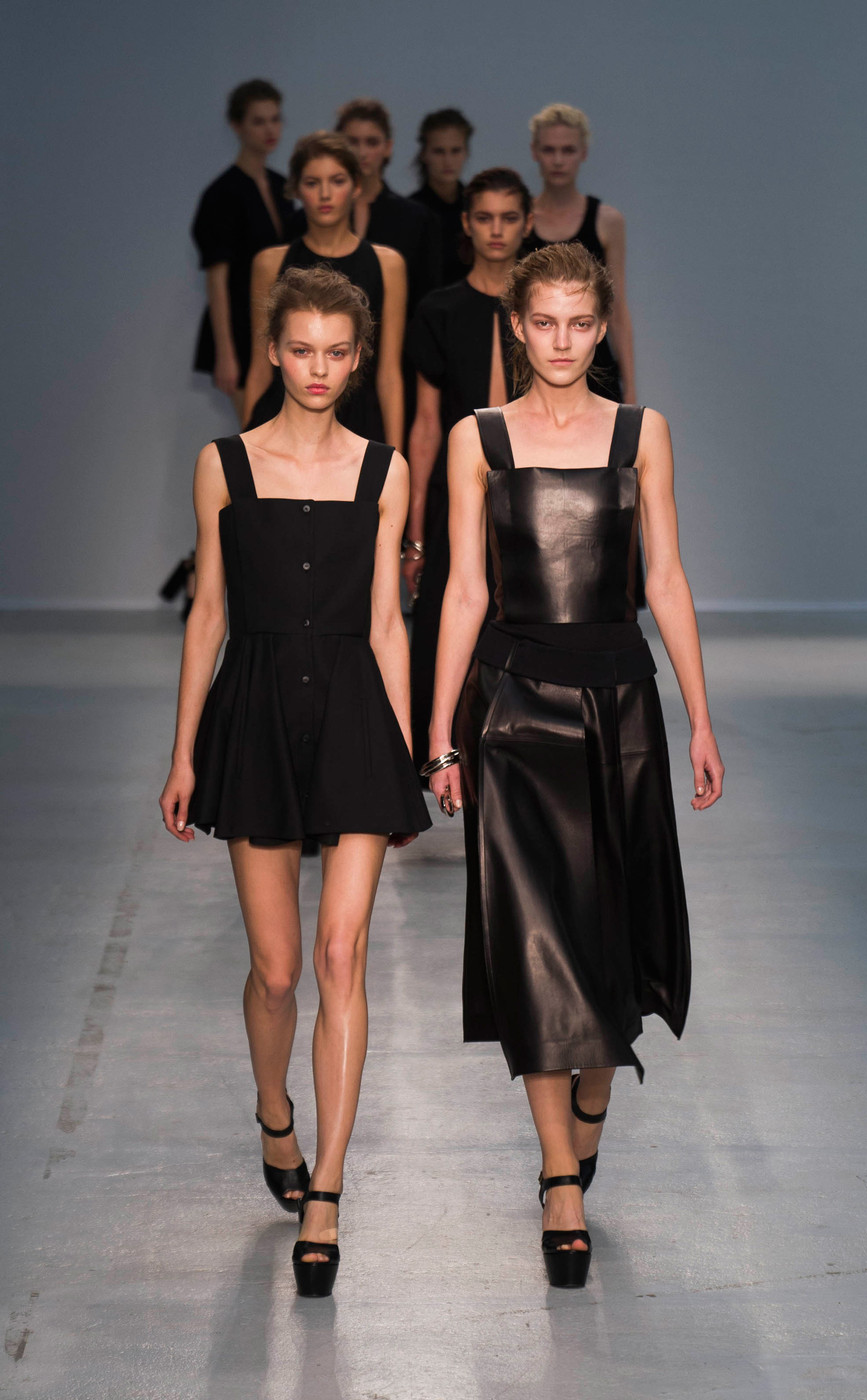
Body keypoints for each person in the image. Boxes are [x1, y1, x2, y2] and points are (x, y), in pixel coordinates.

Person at [425, 242, 723, 1289]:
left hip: (621, 709)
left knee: (616, 936)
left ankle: (592, 1100)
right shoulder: (477, 437)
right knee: (535, 941)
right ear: (516, 324)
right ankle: (560, 1174)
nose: (560, 341)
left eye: (579, 323)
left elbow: (666, 577)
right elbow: (465, 588)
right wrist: (440, 732)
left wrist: (700, 717)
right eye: (542, 322)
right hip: (513, 711)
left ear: (601, 328)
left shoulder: (643, 433)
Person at [159, 265, 430, 1299]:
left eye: (337, 352)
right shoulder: (224, 463)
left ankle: (326, 1188)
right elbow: (208, 612)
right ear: (274, 352)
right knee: (276, 971)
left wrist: (407, 751)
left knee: (339, 953)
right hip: (258, 714)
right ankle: (274, 1112)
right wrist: (184, 751)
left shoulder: (384, 470)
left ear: (358, 362)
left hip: (355, 713)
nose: (318, 368)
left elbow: (386, 621)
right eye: (302, 349)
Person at [404, 167, 532, 770]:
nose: (496, 230)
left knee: (527, 619)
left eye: (509, 217)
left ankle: (518, 753)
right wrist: (415, 535)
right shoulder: (439, 309)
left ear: (528, 222)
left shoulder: (547, 311)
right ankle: (440, 754)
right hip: (455, 490)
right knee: (441, 621)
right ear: (465, 223)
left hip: (534, 491)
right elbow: (426, 424)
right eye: (484, 217)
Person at [242, 133, 405, 450]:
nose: (325, 194)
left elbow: (389, 373)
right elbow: (260, 368)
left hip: (360, 420)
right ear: (296, 189)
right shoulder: (268, 264)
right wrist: (245, 452)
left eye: (337, 181)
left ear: (356, 186)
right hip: (281, 421)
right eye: (312, 183)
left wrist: (396, 458)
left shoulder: (388, 265)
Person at [192, 79, 298, 419]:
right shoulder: (221, 194)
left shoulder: (283, 187)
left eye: (275, 119)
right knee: (256, 432)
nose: (270, 129)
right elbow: (217, 280)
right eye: (259, 121)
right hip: (239, 328)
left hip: (279, 324)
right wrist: (226, 353)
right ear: (237, 126)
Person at [524, 103, 636, 404]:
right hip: (530, 368)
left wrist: (630, 388)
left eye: (568, 150)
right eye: (549, 150)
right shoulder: (520, 220)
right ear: (535, 152)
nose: (558, 160)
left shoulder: (607, 221)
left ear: (583, 153)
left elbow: (617, 308)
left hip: (596, 369)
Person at [335, 98, 442, 318]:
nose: (362, 152)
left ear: (388, 147)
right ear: (337, 146)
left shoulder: (416, 219)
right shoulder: (311, 220)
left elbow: (427, 300)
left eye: (372, 142)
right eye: (352, 142)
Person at [409, 108, 474, 286]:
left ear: (466, 152)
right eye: (439, 151)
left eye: (455, 151)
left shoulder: (478, 208)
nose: (448, 161)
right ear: (424, 154)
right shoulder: (409, 214)